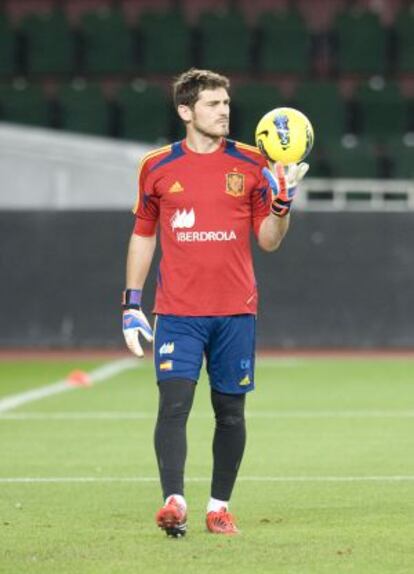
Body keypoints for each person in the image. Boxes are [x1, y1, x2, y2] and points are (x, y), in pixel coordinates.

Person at [122, 68, 308, 537]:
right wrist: (130, 303)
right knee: (174, 405)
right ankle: (174, 501)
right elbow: (143, 235)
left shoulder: (252, 163)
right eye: (211, 104)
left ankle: (218, 507)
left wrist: (282, 207)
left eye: (225, 103)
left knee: (230, 412)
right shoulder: (156, 166)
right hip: (178, 311)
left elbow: (268, 241)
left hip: (235, 310)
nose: (223, 111)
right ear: (186, 111)